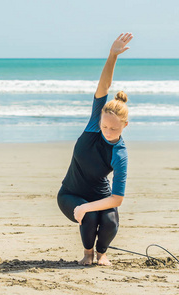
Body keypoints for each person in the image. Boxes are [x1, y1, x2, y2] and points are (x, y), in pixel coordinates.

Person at [57, 32, 133, 266]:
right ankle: (87, 253)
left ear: (124, 126)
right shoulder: (93, 124)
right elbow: (104, 85)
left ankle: (102, 253)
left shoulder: (120, 154)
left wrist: (87, 205)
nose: (107, 132)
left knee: (109, 222)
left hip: (99, 197)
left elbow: (117, 199)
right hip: (70, 193)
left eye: (113, 129)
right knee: (88, 218)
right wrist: (113, 55)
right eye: (104, 126)